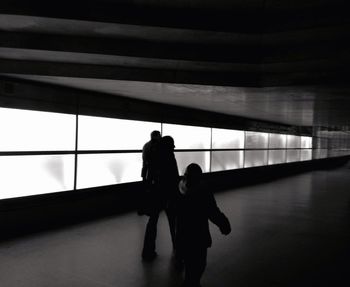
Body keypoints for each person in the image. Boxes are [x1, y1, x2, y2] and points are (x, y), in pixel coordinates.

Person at [175, 163, 231, 287]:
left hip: (183, 233)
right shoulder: (203, 191)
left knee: (189, 263)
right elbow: (212, 211)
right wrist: (223, 223)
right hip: (199, 234)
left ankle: (189, 282)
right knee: (199, 263)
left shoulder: (179, 189)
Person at [141, 135, 180, 261]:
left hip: (156, 193)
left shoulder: (154, 154)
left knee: (153, 221)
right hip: (169, 194)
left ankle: (148, 250)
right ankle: (177, 248)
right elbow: (174, 177)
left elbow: (149, 173)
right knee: (173, 222)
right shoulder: (170, 157)